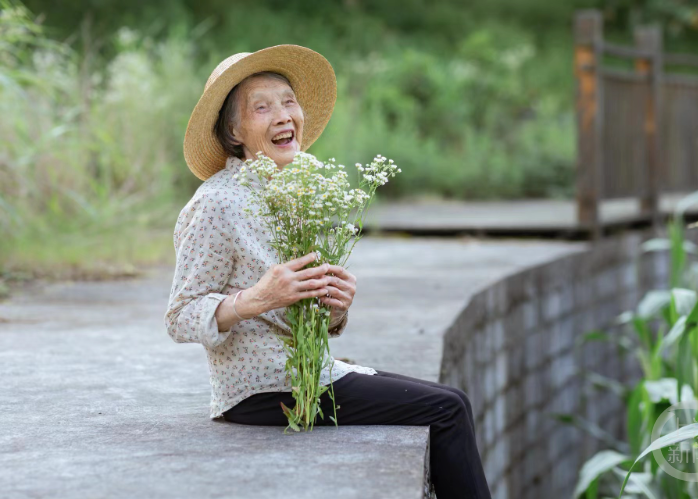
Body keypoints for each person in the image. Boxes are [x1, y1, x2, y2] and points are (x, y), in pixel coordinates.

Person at [165, 45, 491, 499]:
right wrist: (257, 298)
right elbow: (180, 315)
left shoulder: (300, 186)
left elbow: (308, 313)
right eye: (262, 107)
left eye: (288, 101)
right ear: (235, 131)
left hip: (310, 373)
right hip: (262, 390)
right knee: (448, 409)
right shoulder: (216, 202)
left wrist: (335, 307)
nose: (282, 115)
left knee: (447, 401)